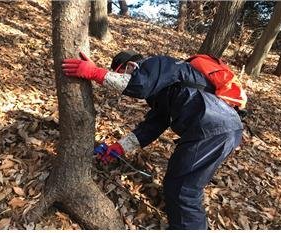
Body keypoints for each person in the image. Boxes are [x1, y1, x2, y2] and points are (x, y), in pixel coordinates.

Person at [62, 50, 243, 230]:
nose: (121, 82)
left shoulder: (157, 64)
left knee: (183, 190)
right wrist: (119, 147)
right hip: (220, 128)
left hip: (211, 128)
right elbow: (153, 126)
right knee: (182, 186)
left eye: (121, 75)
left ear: (131, 66)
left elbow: (138, 85)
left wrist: (95, 73)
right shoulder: (165, 88)